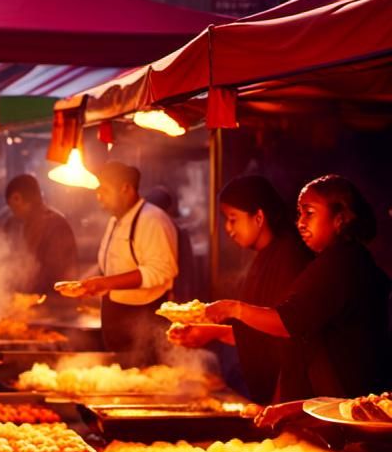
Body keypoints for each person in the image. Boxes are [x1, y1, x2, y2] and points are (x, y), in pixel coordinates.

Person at [204, 174, 390, 399]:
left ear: (339, 218)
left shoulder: (341, 263)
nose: (300, 222)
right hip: (334, 401)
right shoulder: (340, 259)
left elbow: (287, 323)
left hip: (347, 401)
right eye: (299, 213)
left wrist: (234, 309)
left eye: (309, 213)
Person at [167, 176, 312, 403]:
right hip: (264, 394)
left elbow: (288, 334)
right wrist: (210, 333)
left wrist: (278, 403)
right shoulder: (265, 256)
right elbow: (260, 333)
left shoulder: (289, 257)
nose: (228, 229)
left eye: (233, 219)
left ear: (259, 217)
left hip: (286, 399)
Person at [58, 161, 178, 366]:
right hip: (116, 318)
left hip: (143, 321)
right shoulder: (116, 220)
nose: (99, 197)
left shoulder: (152, 220)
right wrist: (86, 285)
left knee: (144, 383)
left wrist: (106, 283)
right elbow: (109, 265)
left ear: (126, 189)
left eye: (104, 190)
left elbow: (161, 270)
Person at [4, 174, 77, 293]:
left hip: (55, 303)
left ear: (17, 198)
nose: (13, 213)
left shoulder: (55, 225)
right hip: (37, 300)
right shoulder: (28, 224)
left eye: (12, 206)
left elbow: (55, 273)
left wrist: (21, 287)